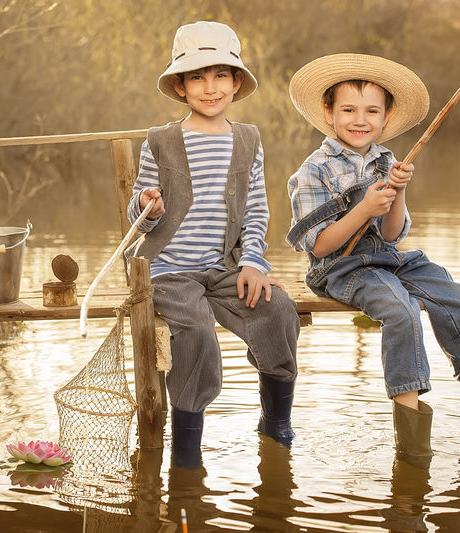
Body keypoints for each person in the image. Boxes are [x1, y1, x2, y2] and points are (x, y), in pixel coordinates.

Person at [286, 54, 460, 466]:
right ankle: (413, 450)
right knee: (401, 311)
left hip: (387, 257)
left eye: (372, 111)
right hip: (340, 267)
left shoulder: (387, 161)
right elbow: (320, 246)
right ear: (328, 113)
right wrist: (362, 208)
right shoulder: (313, 171)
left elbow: (391, 235)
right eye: (348, 110)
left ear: (386, 117)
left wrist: (398, 191)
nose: (360, 120)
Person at [127, 21, 300, 464]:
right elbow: (138, 216)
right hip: (168, 269)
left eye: (221, 75)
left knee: (277, 309)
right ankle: (187, 447)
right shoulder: (161, 141)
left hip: (224, 266)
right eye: (197, 77)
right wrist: (147, 205)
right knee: (197, 332)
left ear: (236, 82)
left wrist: (254, 263)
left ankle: (276, 422)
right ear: (180, 86)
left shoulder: (248, 140)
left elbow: (256, 210)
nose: (210, 87)